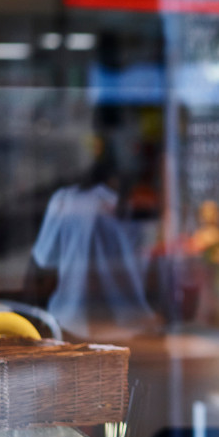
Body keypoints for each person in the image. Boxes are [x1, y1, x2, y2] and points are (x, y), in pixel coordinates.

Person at [28, 146, 161, 341]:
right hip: (128, 325)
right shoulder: (139, 206)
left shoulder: (65, 201)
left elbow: (44, 260)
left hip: (69, 322)